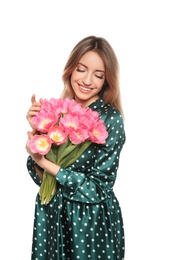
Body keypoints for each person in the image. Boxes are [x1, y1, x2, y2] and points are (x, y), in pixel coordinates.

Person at [26, 35, 126, 260]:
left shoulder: (110, 120)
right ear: (70, 70)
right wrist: (37, 133)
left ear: (106, 80)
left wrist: (47, 164)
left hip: (89, 223)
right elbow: (42, 180)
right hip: (52, 214)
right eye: (81, 69)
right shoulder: (59, 111)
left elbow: (99, 189)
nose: (87, 80)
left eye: (98, 75)